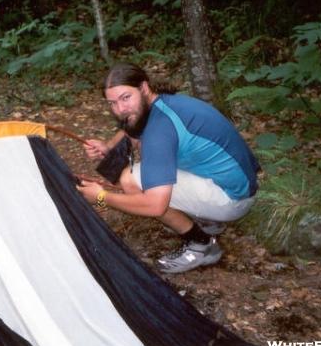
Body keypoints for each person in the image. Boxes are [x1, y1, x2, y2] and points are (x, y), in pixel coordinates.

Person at [77, 62, 260, 274]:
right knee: (144, 172)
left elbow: (155, 206)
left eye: (126, 98)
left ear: (144, 88)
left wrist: (101, 197)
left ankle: (202, 244)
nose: (120, 110)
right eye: (112, 103)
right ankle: (208, 219)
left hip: (233, 199)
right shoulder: (162, 105)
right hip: (237, 184)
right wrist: (108, 147)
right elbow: (132, 127)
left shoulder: (159, 131)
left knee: (130, 181)